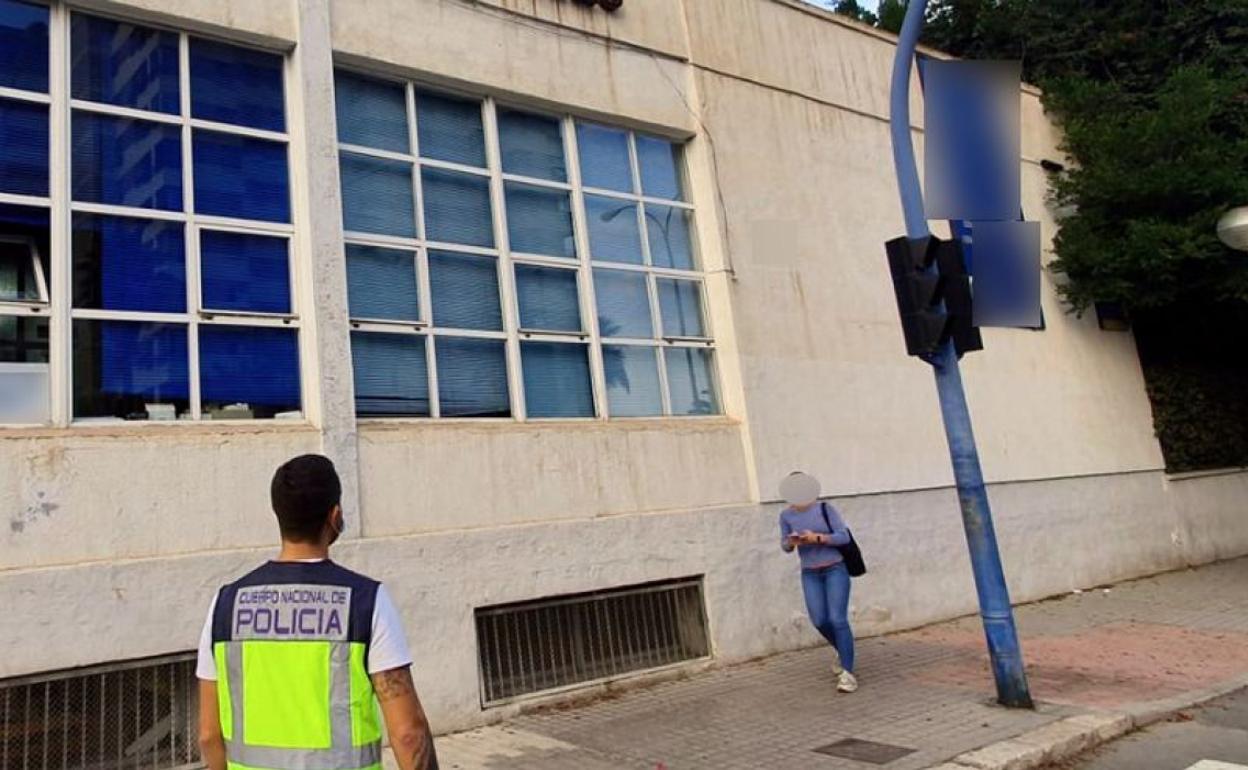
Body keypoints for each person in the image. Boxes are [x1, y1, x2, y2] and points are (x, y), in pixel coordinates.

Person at [196, 454, 438, 770]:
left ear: (278, 515)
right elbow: (408, 733)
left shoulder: (225, 603)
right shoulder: (366, 601)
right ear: (334, 516)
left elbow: (208, 735)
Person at [778, 471, 858, 693]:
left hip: (835, 568)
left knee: (838, 619)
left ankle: (848, 673)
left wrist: (819, 538)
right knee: (820, 620)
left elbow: (844, 536)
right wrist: (792, 542)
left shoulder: (825, 509)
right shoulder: (786, 516)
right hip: (810, 573)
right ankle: (842, 650)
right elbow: (784, 546)